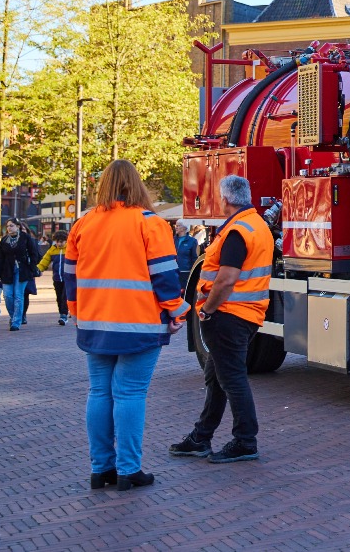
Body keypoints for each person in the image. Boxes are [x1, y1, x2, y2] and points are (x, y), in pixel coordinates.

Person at [66, 158, 189, 492]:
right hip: (139, 325)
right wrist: (179, 311)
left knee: (99, 392)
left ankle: (100, 469)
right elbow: (164, 278)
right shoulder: (149, 223)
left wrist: (78, 313)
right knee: (130, 393)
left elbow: (69, 277)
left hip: (94, 325)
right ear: (137, 185)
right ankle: (128, 470)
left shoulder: (84, 223)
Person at [170, 175, 272, 464]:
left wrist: (208, 310)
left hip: (228, 315)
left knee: (231, 378)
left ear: (225, 199)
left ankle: (245, 440)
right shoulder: (257, 225)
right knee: (217, 377)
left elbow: (226, 279)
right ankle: (201, 437)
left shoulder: (237, 231)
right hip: (245, 315)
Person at [0, 220, 40, 331]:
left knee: (19, 296)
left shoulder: (25, 238)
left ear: (18, 226)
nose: (9, 228)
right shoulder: (4, 240)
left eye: (11, 226)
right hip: (7, 271)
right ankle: (13, 316)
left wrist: (31, 266)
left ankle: (16, 322)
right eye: (7, 226)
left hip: (22, 270)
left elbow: (34, 254)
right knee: (7, 295)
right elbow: (0, 258)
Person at [38, 230, 70, 325]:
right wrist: (38, 269)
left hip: (67, 278)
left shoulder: (69, 249)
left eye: (61, 241)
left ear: (66, 241)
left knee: (65, 297)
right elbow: (45, 260)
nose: (59, 243)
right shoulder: (52, 250)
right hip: (56, 278)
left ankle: (64, 315)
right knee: (59, 297)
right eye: (57, 241)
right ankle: (61, 313)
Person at [173, 221, 198, 288]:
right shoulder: (172, 240)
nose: (176, 227)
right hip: (173, 271)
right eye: (176, 226)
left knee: (184, 293)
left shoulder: (192, 241)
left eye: (178, 226)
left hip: (185, 272)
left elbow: (194, 258)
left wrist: (194, 273)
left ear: (184, 228)